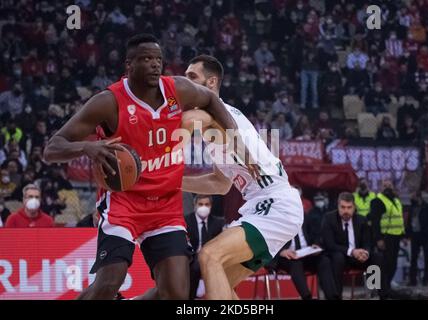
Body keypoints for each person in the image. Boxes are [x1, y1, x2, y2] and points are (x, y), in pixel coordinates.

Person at [43, 34, 244, 300]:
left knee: (175, 293)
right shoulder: (108, 102)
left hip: (166, 206)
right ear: (129, 65)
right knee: (108, 285)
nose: (154, 64)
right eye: (146, 58)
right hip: (123, 204)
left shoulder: (178, 89)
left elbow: (210, 99)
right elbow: (51, 149)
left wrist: (233, 137)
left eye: (158, 59)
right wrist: (87, 147)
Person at [180, 55, 303, 299]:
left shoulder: (213, 113)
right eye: (184, 77)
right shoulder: (217, 125)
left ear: (212, 82)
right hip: (262, 206)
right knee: (219, 281)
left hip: (275, 204)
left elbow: (186, 121)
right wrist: (174, 181)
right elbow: (220, 183)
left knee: (209, 255)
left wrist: (151, 128)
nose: (186, 82)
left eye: (192, 77)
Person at [321, 192, 387, 299]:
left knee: (377, 258)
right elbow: (330, 244)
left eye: (349, 207)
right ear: (338, 206)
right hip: (341, 257)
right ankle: (337, 296)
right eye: (342, 207)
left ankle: (380, 295)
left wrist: (365, 252)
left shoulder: (361, 220)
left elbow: (368, 241)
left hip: (359, 257)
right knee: (337, 258)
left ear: (354, 207)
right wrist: (352, 251)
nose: (346, 211)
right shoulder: (329, 219)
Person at [271, 212, 338, 300]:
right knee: (295, 263)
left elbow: (316, 234)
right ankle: (307, 297)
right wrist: (282, 251)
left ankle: (332, 296)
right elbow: (269, 242)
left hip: (306, 254)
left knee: (324, 260)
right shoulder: (276, 220)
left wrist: (316, 244)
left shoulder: (305, 216)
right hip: (286, 258)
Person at [368, 180, 405, 294]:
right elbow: (375, 222)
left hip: (396, 236)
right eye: (385, 186)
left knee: (392, 264)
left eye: (390, 185)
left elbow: (399, 219)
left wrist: (403, 234)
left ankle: (386, 287)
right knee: (384, 264)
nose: (388, 187)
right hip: (385, 237)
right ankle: (381, 289)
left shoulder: (396, 200)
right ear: (380, 187)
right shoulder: (377, 201)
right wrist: (378, 239)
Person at [185, 194, 224, 299]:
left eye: (207, 204)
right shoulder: (186, 221)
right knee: (195, 266)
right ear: (195, 205)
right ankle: (191, 296)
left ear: (211, 206)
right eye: (201, 204)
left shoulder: (218, 223)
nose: (204, 207)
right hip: (192, 258)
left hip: (212, 258)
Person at [406, 191, 428, 286]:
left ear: (418, 197)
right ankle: (413, 280)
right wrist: (409, 234)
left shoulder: (427, 207)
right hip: (415, 236)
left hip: (425, 236)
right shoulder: (412, 208)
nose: (411, 199)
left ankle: (426, 279)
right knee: (413, 258)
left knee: (427, 257)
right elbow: (409, 222)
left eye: (413, 197)